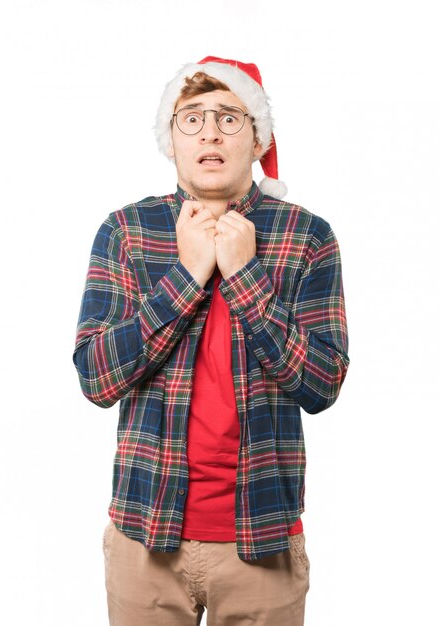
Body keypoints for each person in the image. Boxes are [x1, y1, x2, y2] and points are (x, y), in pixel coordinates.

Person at [73, 56, 349, 626]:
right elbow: (97, 379)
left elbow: (321, 385)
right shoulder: (126, 231)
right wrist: (189, 275)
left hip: (263, 539)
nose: (211, 132)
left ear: (257, 139)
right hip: (144, 538)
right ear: (170, 141)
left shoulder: (307, 236)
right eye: (191, 118)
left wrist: (246, 278)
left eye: (230, 116)